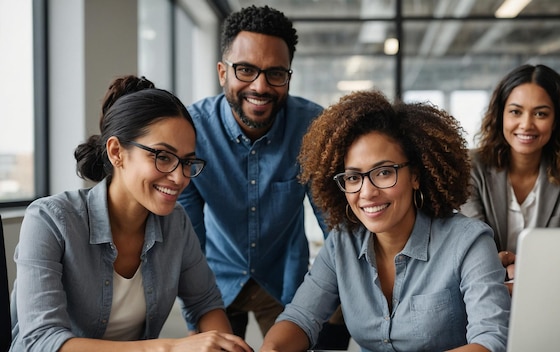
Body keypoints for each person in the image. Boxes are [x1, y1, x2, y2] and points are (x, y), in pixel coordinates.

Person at [9, 75, 252, 352]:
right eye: (163, 156)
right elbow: (41, 341)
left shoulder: (176, 224)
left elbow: (205, 304)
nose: (179, 177)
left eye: (187, 162)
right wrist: (168, 348)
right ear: (116, 152)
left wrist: (223, 346)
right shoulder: (50, 220)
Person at [260, 90, 511, 352]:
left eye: (383, 172)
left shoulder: (469, 241)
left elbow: (491, 341)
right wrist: (272, 349)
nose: (367, 192)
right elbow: (299, 318)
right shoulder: (342, 242)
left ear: (415, 175)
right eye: (353, 178)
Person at [177, 5, 350, 347]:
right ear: (222, 72)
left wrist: (334, 298)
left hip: (287, 280)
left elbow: (334, 224)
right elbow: (187, 239)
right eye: (245, 70)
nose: (260, 86)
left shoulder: (312, 128)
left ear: (288, 75)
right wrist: (195, 317)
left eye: (275, 73)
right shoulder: (191, 131)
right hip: (215, 282)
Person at [460, 64, 560, 293]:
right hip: (480, 293)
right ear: (500, 114)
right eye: (515, 111)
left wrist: (521, 272)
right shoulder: (472, 167)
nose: (526, 124)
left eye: (540, 113)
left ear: (557, 120)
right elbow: (476, 251)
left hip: (549, 293)